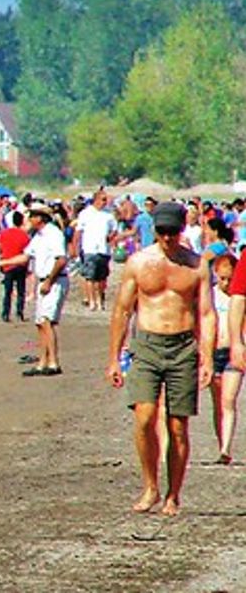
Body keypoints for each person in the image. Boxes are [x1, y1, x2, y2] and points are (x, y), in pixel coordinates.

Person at [108, 202, 214, 516]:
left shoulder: (196, 266)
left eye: (173, 231)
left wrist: (206, 356)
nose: (168, 237)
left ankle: (173, 494)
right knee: (144, 418)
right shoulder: (139, 263)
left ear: (183, 230)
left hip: (183, 347)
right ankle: (150, 485)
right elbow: (122, 310)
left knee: (178, 425)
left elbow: (206, 314)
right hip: (147, 346)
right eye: (162, 231)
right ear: (154, 230)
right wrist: (113, 357)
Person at [0, 205, 69, 377]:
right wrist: (0, 263)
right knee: (40, 323)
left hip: (54, 280)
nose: (29, 219)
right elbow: (25, 256)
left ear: (40, 218)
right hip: (44, 280)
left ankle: (53, 362)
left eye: (32, 216)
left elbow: (61, 260)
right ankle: (42, 362)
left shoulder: (54, 234)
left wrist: (49, 281)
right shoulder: (38, 236)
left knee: (46, 321)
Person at [210, 254, 241, 464]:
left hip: (234, 353)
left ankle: (225, 448)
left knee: (228, 400)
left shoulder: (239, 296)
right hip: (213, 352)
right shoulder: (210, 296)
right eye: (222, 278)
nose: (226, 283)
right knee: (217, 402)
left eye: (230, 278)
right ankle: (221, 441)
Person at [74, 190, 116, 311]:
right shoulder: (85, 213)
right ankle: (92, 301)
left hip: (104, 249)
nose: (105, 202)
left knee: (102, 278)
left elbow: (114, 229)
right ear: (96, 199)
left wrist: (111, 237)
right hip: (89, 248)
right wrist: (75, 247)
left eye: (106, 199)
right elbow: (78, 231)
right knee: (90, 277)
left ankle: (100, 300)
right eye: (103, 199)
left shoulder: (109, 215)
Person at [0, 210, 30, 322]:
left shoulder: (4, 233)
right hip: (20, 264)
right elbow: (27, 252)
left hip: (8, 264)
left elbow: (0, 248)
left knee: (8, 291)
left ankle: (5, 313)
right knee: (21, 290)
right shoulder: (24, 235)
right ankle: (19, 312)